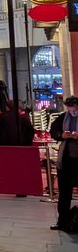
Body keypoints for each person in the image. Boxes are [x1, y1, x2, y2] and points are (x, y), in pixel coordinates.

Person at [49, 96, 78, 231]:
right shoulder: (63, 117)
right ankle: (63, 222)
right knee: (64, 194)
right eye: (70, 110)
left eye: (75, 110)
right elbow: (53, 131)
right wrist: (62, 135)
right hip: (66, 162)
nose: (73, 113)